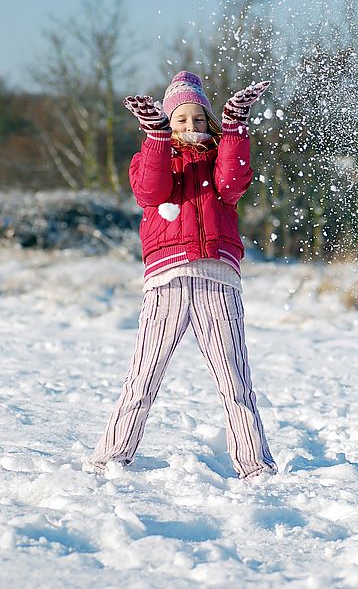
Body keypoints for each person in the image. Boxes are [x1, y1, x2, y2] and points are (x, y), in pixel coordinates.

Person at [83, 71, 277, 480]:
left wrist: (237, 125)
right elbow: (151, 192)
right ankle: (109, 458)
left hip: (217, 280)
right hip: (166, 280)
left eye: (199, 119)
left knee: (235, 381)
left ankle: (255, 465)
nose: (191, 127)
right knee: (142, 377)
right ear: (167, 123)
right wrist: (155, 137)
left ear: (210, 121)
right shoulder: (152, 157)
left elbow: (232, 181)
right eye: (180, 120)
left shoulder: (219, 157)